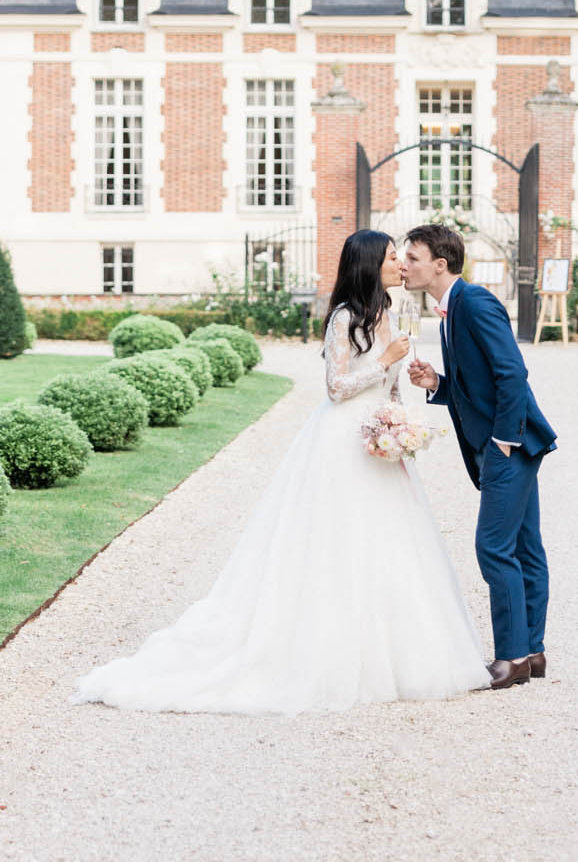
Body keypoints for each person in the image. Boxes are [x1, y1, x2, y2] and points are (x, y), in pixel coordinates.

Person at [73, 230, 490, 714]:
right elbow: (336, 388)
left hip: (378, 436)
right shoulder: (345, 317)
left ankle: (396, 653)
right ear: (370, 263)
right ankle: (324, 650)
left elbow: (390, 388)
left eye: (404, 257)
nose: (401, 263)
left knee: (392, 544)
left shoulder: (389, 312)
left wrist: (399, 424)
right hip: (340, 441)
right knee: (336, 543)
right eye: (394, 256)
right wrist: (384, 364)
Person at [403, 223, 557, 690]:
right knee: (525, 547)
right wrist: (437, 384)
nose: (404, 265)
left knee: (493, 547)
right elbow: (479, 385)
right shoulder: (450, 310)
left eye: (412, 257)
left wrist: (504, 441)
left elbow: (512, 371)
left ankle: (510, 658)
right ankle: (531, 652)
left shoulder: (475, 302)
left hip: (509, 446)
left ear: (439, 264)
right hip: (504, 444)